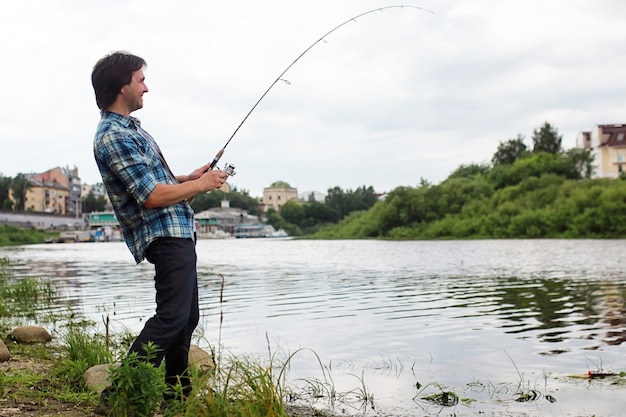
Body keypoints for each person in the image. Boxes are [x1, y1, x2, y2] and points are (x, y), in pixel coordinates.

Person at [91, 51, 228, 412]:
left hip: (177, 232)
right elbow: (151, 196)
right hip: (164, 235)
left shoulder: (132, 130)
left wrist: (189, 178)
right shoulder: (112, 136)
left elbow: (155, 182)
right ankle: (116, 398)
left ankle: (176, 399)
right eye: (140, 80)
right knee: (171, 317)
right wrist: (204, 186)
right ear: (122, 86)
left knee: (186, 317)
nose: (146, 88)